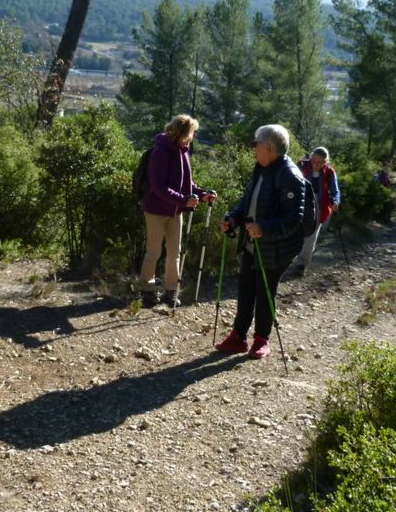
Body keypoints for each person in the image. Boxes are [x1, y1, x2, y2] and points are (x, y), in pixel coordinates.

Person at [215, 124, 305, 360]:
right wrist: (233, 219)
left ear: (268, 147)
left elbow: (293, 219)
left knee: (265, 292)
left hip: (275, 247)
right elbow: (248, 202)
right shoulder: (261, 168)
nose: (253, 148)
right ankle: (238, 337)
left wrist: (264, 229)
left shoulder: (290, 175)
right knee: (245, 289)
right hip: (252, 243)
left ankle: (262, 339)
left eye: (256, 144)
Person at [140, 114, 216, 306]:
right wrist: (184, 200)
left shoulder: (183, 150)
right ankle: (147, 291)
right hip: (156, 210)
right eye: (192, 132)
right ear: (183, 132)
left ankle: (171, 291)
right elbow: (157, 186)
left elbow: (187, 183)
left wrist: (202, 193)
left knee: (175, 252)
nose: (194, 136)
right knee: (154, 252)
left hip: (175, 211)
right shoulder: (161, 152)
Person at [294, 147, 341, 277]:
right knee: (294, 232)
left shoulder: (329, 172)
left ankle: (301, 264)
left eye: (320, 162)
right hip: (299, 204)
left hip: (319, 208)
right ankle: (286, 259)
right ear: (311, 157)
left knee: (311, 237)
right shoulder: (301, 166)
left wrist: (336, 201)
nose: (315, 164)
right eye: (314, 160)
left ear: (325, 162)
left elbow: (335, 190)